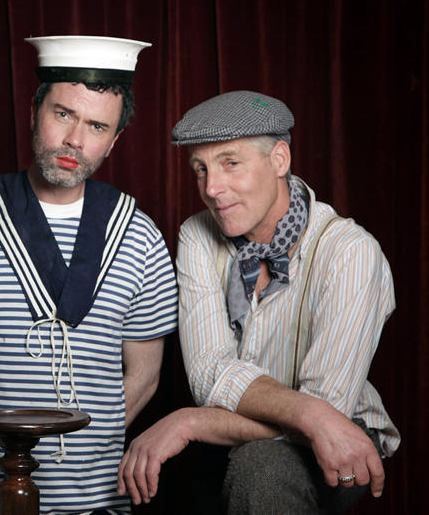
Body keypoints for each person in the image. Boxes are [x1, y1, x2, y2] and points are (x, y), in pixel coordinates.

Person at [117, 90, 399, 514]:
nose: (212, 188)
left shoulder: (350, 250)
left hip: (345, 432)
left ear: (279, 160)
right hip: (256, 428)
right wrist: (309, 413)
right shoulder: (197, 234)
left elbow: (329, 410)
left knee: (261, 467)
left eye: (231, 163)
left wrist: (190, 421)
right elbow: (208, 373)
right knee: (159, 482)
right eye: (200, 169)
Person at [0, 36, 179, 514]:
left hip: (96, 500)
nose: (75, 139)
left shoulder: (140, 235)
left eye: (97, 126)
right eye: (63, 114)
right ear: (34, 113)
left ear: (115, 140)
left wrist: (85, 451)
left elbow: (145, 373)